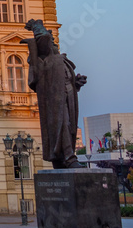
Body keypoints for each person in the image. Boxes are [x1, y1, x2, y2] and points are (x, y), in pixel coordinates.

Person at [21, 19, 87, 169]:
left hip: (68, 98)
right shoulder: (44, 60)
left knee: (69, 127)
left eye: (53, 41)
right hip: (54, 101)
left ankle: (62, 160)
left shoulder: (61, 60)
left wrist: (76, 83)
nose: (53, 43)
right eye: (51, 41)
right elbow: (42, 39)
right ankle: (70, 159)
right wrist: (37, 27)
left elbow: (63, 80)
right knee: (62, 126)